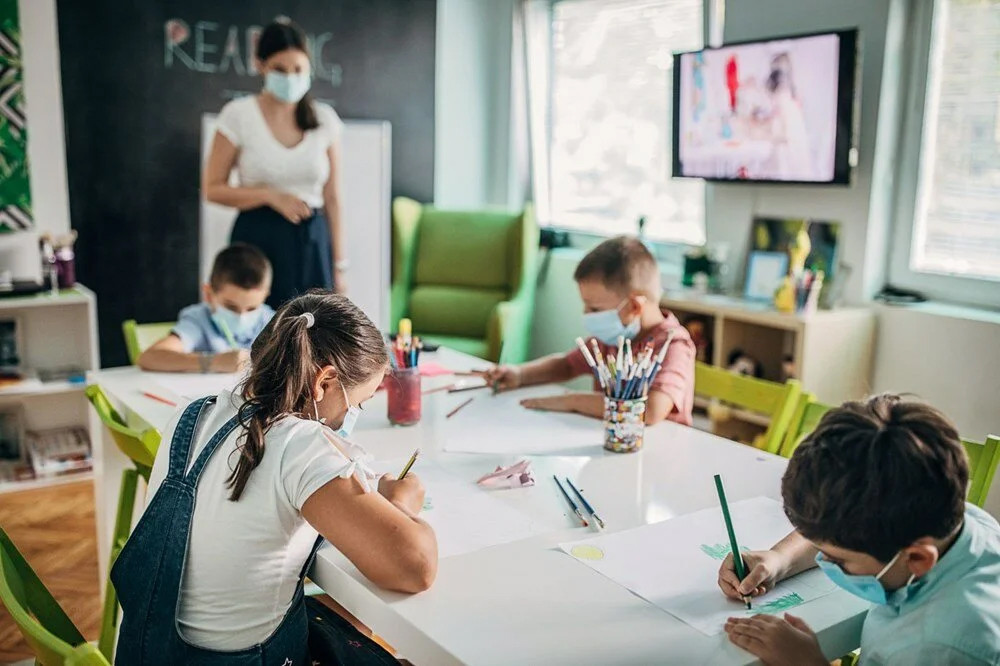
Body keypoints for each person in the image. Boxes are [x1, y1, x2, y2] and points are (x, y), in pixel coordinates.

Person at [112, 292, 437, 663]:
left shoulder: (195, 414)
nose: (351, 417)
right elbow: (416, 567)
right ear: (324, 381)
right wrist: (399, 503)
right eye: (356, 404)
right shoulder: (299, 444)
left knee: (345, 620)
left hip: (152, 652)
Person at [718, 394, 1000, 665]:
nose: (822, 561)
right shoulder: (950, 518)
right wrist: (779, 559)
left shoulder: (939, 649)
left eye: (838, 560)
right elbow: (841, 533)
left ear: (917, 559)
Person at [203, 18, 347, 308]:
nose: (291, 78)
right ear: (260, 66)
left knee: (313, 331)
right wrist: (270, 196)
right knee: (263, 333)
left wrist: (340, 266)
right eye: (280, 69)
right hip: (258, 238)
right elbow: (212, 189)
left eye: (298, 69)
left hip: (312, 240)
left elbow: (333, 198)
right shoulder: (238, 115)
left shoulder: (324, 120)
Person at [482, 236, 696, 426]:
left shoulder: (673, 345)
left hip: (660, 454)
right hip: (609, 441)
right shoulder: (612, 339)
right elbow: (567, 365)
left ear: (634, 307)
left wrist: (572, 401)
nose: (587, 314)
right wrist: (520, 374)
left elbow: (651, 412)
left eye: (595, 309)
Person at [137, 243, 274, 373]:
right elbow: (149, 358)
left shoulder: (273, 321)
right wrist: (213, 361)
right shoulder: (199, 320)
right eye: (231, 307)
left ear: (265, 296)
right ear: (209, 294)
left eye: (252, 308)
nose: (242, 316)